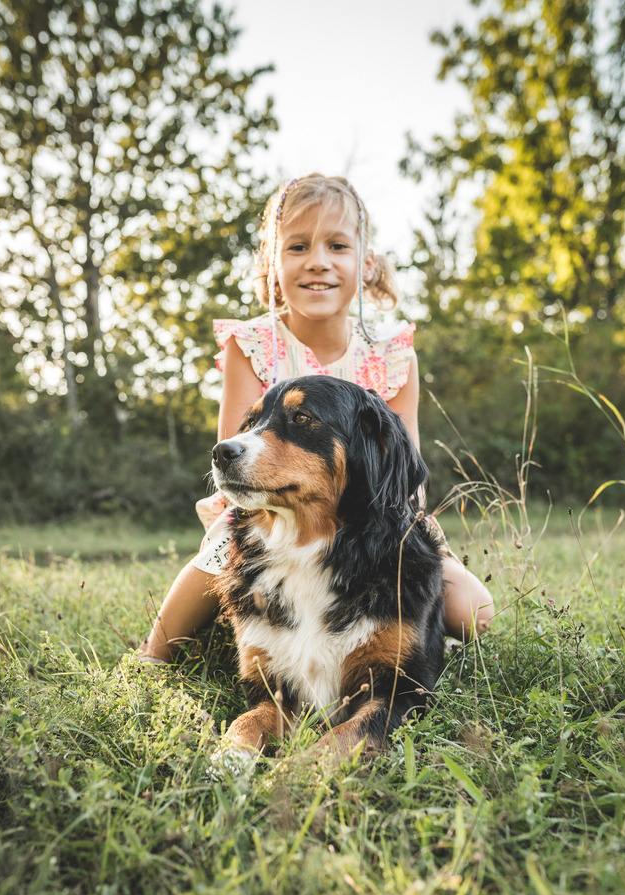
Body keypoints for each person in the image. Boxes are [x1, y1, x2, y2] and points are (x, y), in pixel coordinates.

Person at [136, 173, 494, 665]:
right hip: (265, 512)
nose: (318, 262)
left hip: (377, 515)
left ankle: (401, 635)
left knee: (472, 610)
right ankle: (150, 659)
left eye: (338, 245)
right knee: (212, 563)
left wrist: (399, 529)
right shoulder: (254, 344)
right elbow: (236, 449)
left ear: (365, 263)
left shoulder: (392, 356)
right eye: (298, 246)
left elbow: (402, 459)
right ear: (273, 263)